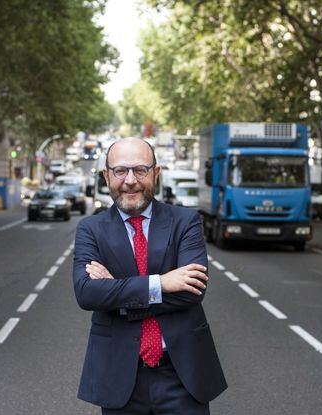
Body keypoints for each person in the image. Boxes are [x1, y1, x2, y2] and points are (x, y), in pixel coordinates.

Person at [73, 137, 227, 414]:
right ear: (107, 175)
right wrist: (161, 283)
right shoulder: (90, 229)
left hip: (182, 375)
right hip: (120, 376)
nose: (130, 180)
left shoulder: (185, 222)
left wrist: (116, 294)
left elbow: (192, 291)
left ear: (156, 173)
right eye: (120, 171)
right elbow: (86, 293)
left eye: (140, 170)